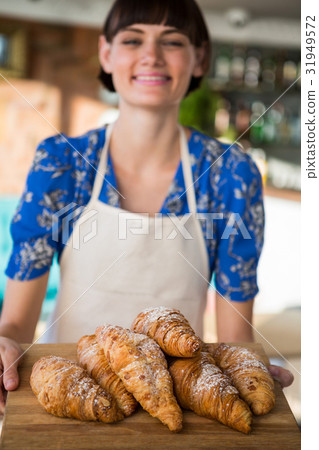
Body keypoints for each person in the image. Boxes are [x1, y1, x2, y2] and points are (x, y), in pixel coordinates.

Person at [0, 0, 293, 412]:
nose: (151, 56)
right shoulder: (61, 163)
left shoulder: (230, 175)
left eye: (171, 41)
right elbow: (15, 324)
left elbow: (234, 337)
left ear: (199, 58)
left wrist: (247, 369)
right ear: (106, 53)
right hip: (75, 399)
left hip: (181, 402)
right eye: (133, 39)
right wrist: (5, 344)